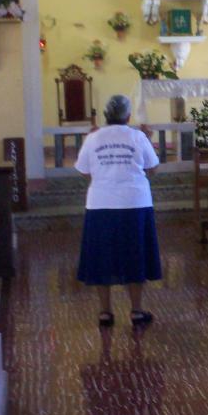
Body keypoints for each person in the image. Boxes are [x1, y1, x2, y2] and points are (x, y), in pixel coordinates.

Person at [76, 95, 161, 328]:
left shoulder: (93, 138)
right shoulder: (138, 136)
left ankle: (105, 312)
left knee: (101, 257)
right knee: (136, 255)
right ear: (128, 116)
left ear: (105, 115)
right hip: (135, 202)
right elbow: (152, 168)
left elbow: (83, 170)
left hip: (100, 203)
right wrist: (147, 140)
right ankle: (136, 310)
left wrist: (104, 178)